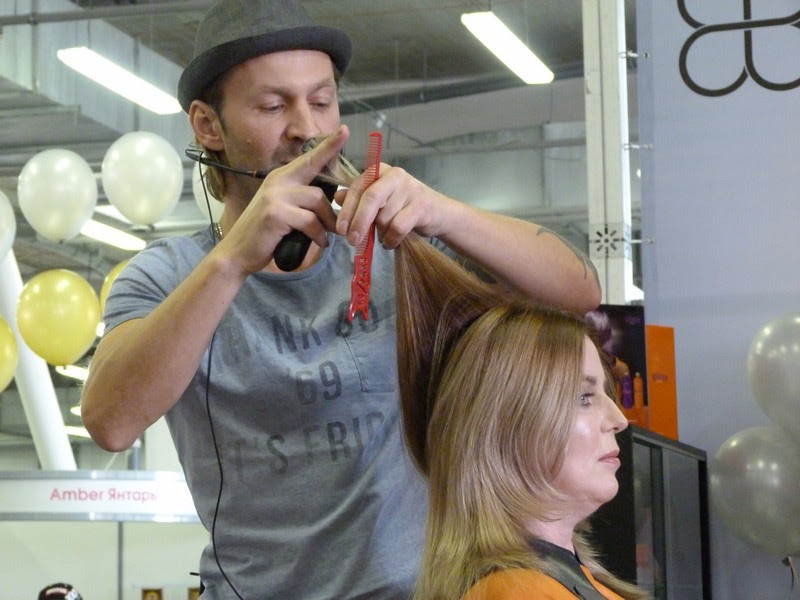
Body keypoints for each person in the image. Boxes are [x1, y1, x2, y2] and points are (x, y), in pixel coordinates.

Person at [80, 0, 601, 598]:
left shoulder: (399, 251)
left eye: (322, 101)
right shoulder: (168, 276)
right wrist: (232, 261)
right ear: (208, 126)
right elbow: (111, 422)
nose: (306, 128)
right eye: (273, 106)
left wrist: (442, 213)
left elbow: (578, 289)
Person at [394, 236, 647, 599]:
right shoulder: (517, 592)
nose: (618, 419)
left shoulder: (560, 580)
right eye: (584, 397)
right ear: (509, 427)